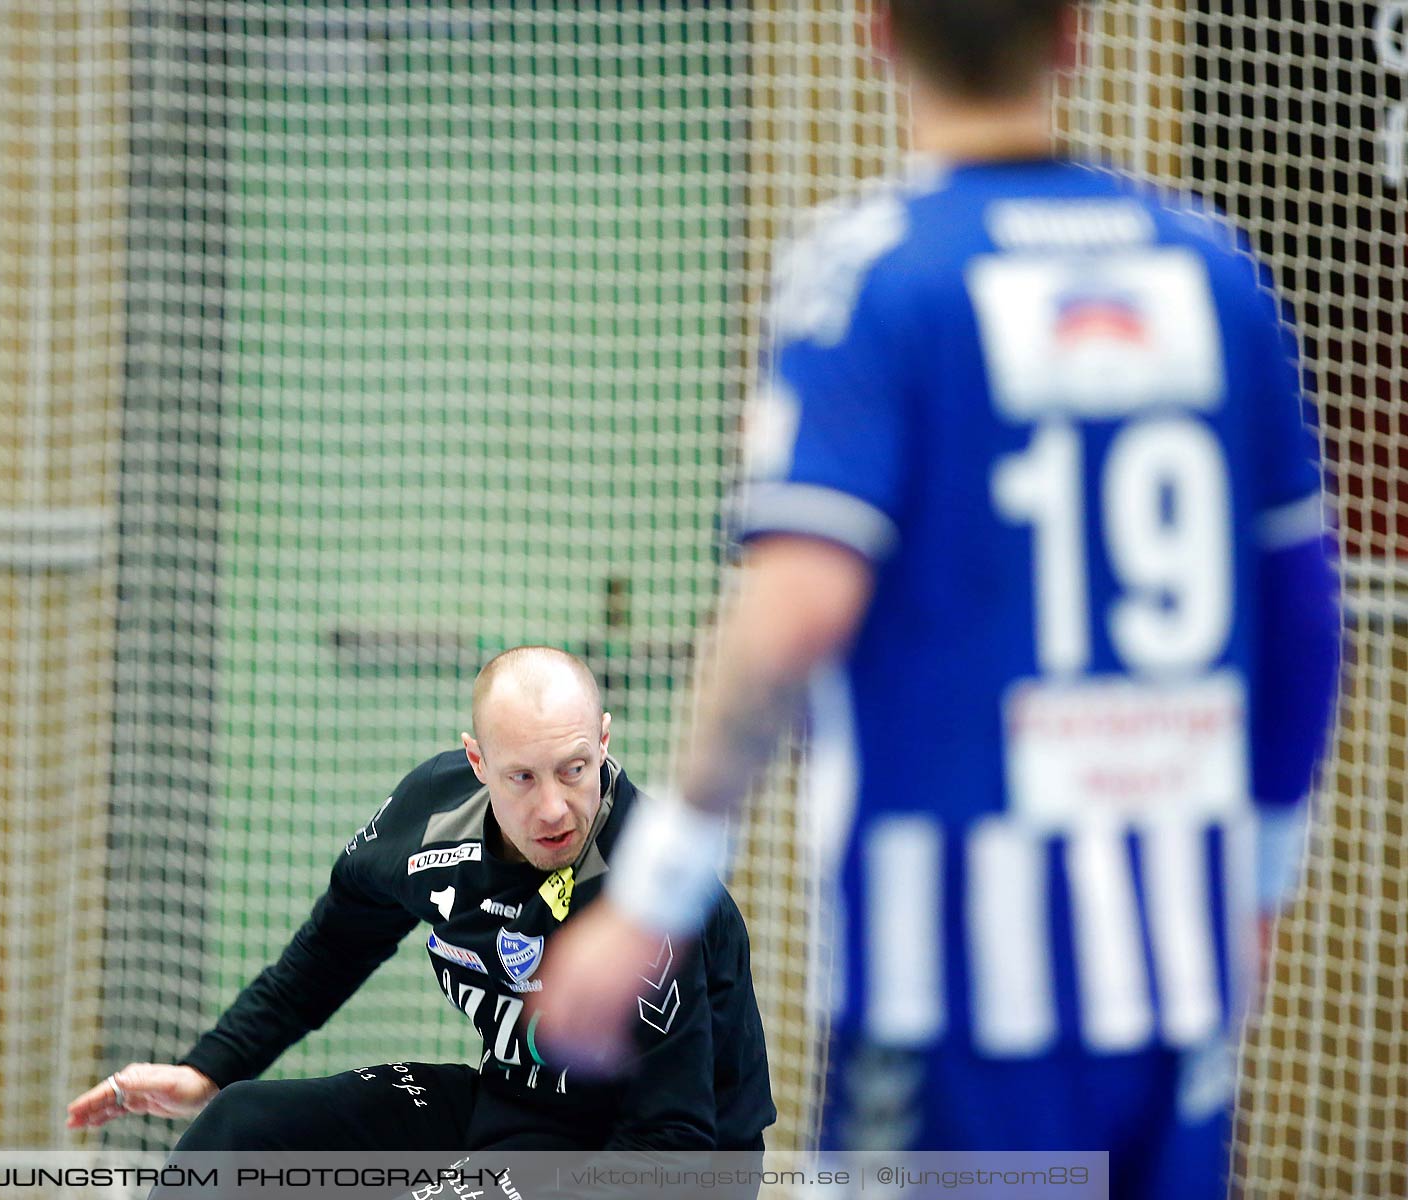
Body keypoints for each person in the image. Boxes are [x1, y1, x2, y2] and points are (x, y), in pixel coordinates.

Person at [535, 3, 1342, 1197]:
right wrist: (1261, 887)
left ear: (877, 31)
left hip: (950, 981)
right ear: (1074, 36)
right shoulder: (1214, 273)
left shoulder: (872, 273)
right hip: (1175, 965)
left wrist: (650, 898)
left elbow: (793, 610)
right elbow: (1307, 619)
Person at [66, 646, 774, 1156]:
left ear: (604, 743)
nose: (554, 807)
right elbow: (331, 949)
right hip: (518, 1111)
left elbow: (671, 1137)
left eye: (574, 769)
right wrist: (210, 1068)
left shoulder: (659, 893)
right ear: (476, 763)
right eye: (522, 777)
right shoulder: (430, 821)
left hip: (667, 1160)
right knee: (242, 1126)